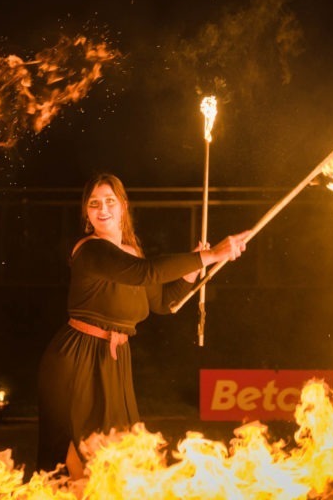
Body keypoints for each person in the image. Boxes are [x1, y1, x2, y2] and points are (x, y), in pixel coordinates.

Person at [36, 173, 249, 479]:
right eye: (94, 203)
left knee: (120, 456)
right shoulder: (90, 249)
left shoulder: (133, 252)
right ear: (86, 212)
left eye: (110, 201)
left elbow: (162, 303)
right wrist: (208, 255)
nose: (102, 209)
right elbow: (144, 273)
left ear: (123, 206)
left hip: (113, 361)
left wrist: (194, 270)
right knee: (80, 460)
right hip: (77, 359)